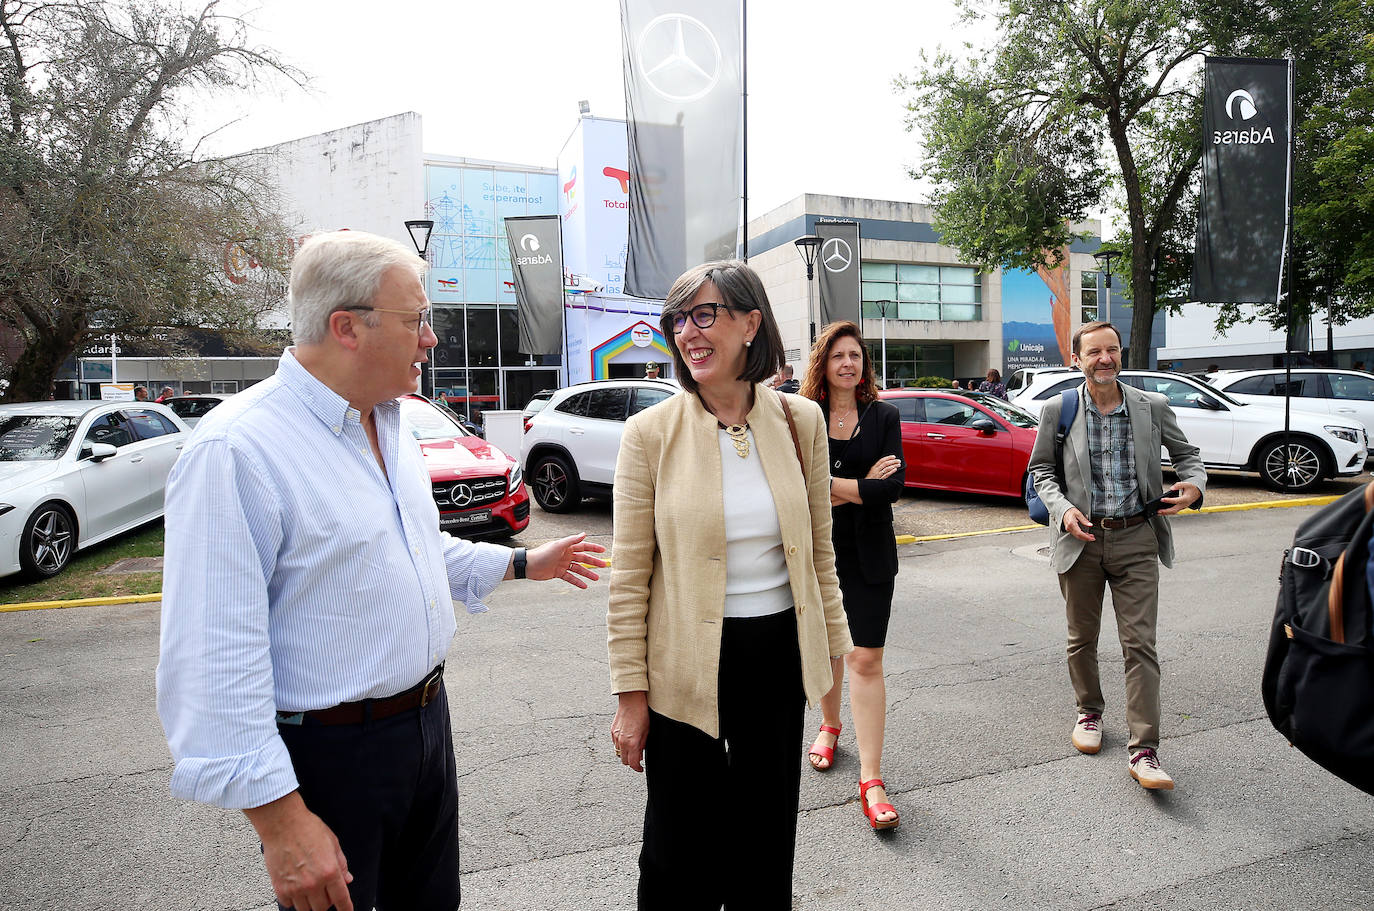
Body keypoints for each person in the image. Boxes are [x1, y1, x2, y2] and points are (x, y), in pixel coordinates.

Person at [156, 230, 607, 911]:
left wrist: (520, 562)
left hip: (425, 729)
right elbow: (212, 657)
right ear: (346, 327)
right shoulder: (236, 450)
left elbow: (413, 550)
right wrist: (281, 824)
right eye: (415, 319)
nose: (430, 339)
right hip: (333, 759)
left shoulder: (390, 421)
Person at [608, 260, 852, 909]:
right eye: (678, 319)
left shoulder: (802, 421)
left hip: (775, 658)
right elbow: (629, 577)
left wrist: (832, 652)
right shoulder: (649, 435)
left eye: (704, 314)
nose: (688, 331)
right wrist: (630, 696)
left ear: (750, 323)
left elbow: (820, 553)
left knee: (766, 844)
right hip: (684, 663)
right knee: (675, 850)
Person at [1027, 321, 1206, 791]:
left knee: (1139, 644)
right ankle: (1089, 713)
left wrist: (1194, 487)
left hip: (1137, 539)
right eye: (1094, 352)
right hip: (1081, 539)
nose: (1105, 358)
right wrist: (1062, 509)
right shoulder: (1059, 408)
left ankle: (1145, 749)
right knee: (1081, 639)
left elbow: (1189, 457)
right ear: (1077, 359)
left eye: (1113, 350)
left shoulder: (1152, 407)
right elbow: (1040, 470)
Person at [799, 321, 905, 830]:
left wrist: (829, 485)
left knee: (865, 657)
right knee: (827, 647)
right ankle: (829, 724)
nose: (848, 364)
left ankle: (871, 777)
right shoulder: (805, 416)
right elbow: (797, 486)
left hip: (871, 554)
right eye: (839, 355)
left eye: (856, 357)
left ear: (864, 366)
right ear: (824, 363)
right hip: (818, 550)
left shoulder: (884, 416)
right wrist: (860, 483)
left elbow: (891, 491)